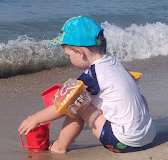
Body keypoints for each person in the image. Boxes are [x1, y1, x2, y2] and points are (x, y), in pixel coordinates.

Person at [18, 16, 156, 153]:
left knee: (77, 105)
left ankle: (60, 146)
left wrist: (35, 119)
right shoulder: (115, 64)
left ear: (80, 53)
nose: (69, 59)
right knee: (139, 97)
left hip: (123, 142)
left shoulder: (93, 74)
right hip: (149, 136)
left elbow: (65, 105)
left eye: (69, 55)